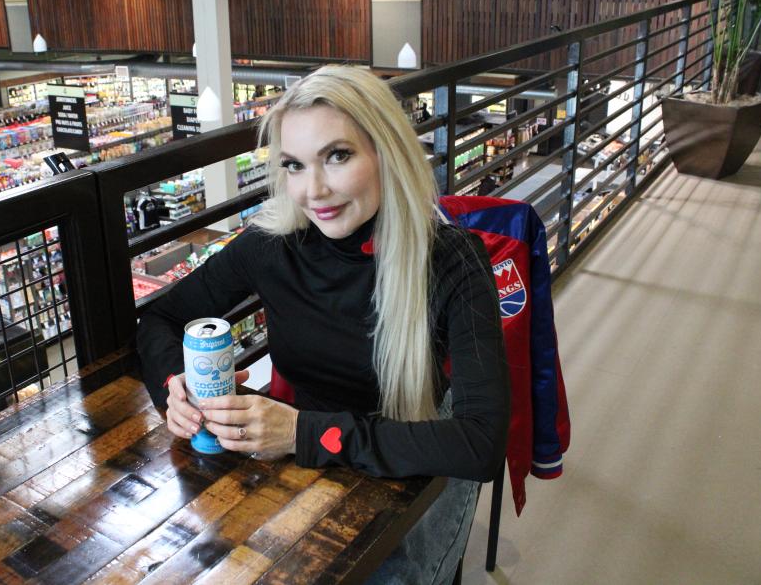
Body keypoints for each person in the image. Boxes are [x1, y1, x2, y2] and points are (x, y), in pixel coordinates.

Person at [138, 65, 510, 584]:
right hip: (302, 462)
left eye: (337, 156)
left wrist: (301, 432)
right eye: (294, 165)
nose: (313, 191)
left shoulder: (451, 261)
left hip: (413, 461)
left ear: (387, 152)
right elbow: (159, 315)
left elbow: (479, 444)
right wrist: (172, 387)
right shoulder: (269, 247)